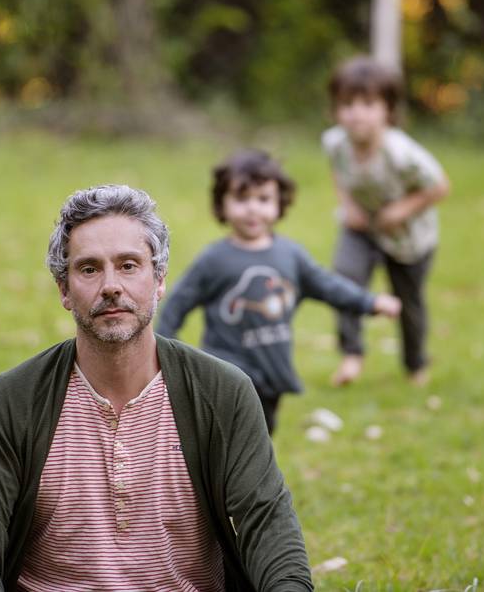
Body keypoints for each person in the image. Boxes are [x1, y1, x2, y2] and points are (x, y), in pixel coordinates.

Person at [0, 184, 313, 591]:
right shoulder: (13, 399)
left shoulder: (223, 392)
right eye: (89, 269)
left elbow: (268, 525)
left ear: (160, 280)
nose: (111, 285)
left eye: (129, 265)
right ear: (64, 289)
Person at [156, 151, 401, 435]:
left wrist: (370, 302)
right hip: (226, 374)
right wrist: (168, 359)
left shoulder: (290, 255)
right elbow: (175, 305)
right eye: (241, 198)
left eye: (263, 199)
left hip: (272, 372)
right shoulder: (214, 260)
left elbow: (329, 286)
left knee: (261, 441)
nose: (252, 209)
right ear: (222, 204)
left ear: (279, 204)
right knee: (226, 442)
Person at [321, 56, 450, 387]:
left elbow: (439, 186)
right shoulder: (336, 142)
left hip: (408, 238)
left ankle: (415, 364)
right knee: (345, 280)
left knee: (408, 303)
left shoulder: (401, 153)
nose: (356, 113)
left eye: (367, 104)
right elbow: (338, 170)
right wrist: (348, 205)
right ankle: (352, 353)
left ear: (387, 109)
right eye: (347, 104)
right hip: (361, 227)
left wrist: (402, 210)